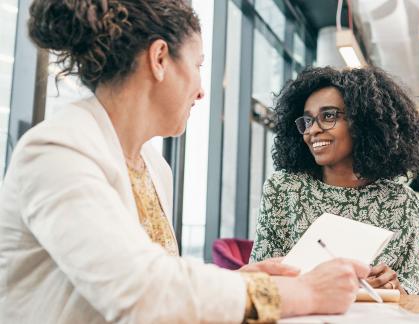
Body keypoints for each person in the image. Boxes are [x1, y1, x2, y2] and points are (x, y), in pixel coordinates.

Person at [0, 1, 370, 323]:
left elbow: (158, 276)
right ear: (159, 58)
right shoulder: (56, 151)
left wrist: (244, 280)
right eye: (198, 64)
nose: (201, 89)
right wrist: (305, 293)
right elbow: (141, 295)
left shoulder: (152, 164)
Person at [250, 66, 419, 295]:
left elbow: (418, 291)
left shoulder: (401, 201)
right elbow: (258, 280)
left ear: (364, 123)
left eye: (328, 116)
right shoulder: (284, 189)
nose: (312, 131)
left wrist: (395, 287)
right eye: (307, 121)